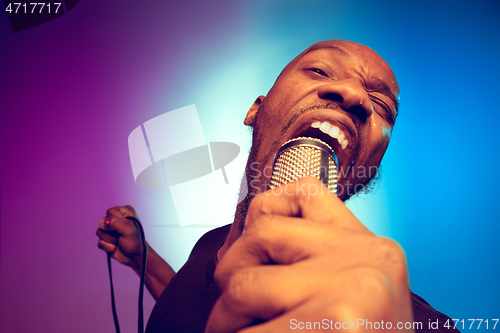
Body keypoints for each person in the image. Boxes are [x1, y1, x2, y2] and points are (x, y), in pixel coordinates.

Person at [96, 40, 459, 332]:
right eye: (319, 70)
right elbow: (189, 313)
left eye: (381, 104)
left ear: (372, 166)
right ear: (257, 110)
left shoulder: (408, 323)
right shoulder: (211, 244)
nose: (353, 94)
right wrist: (143, 259)